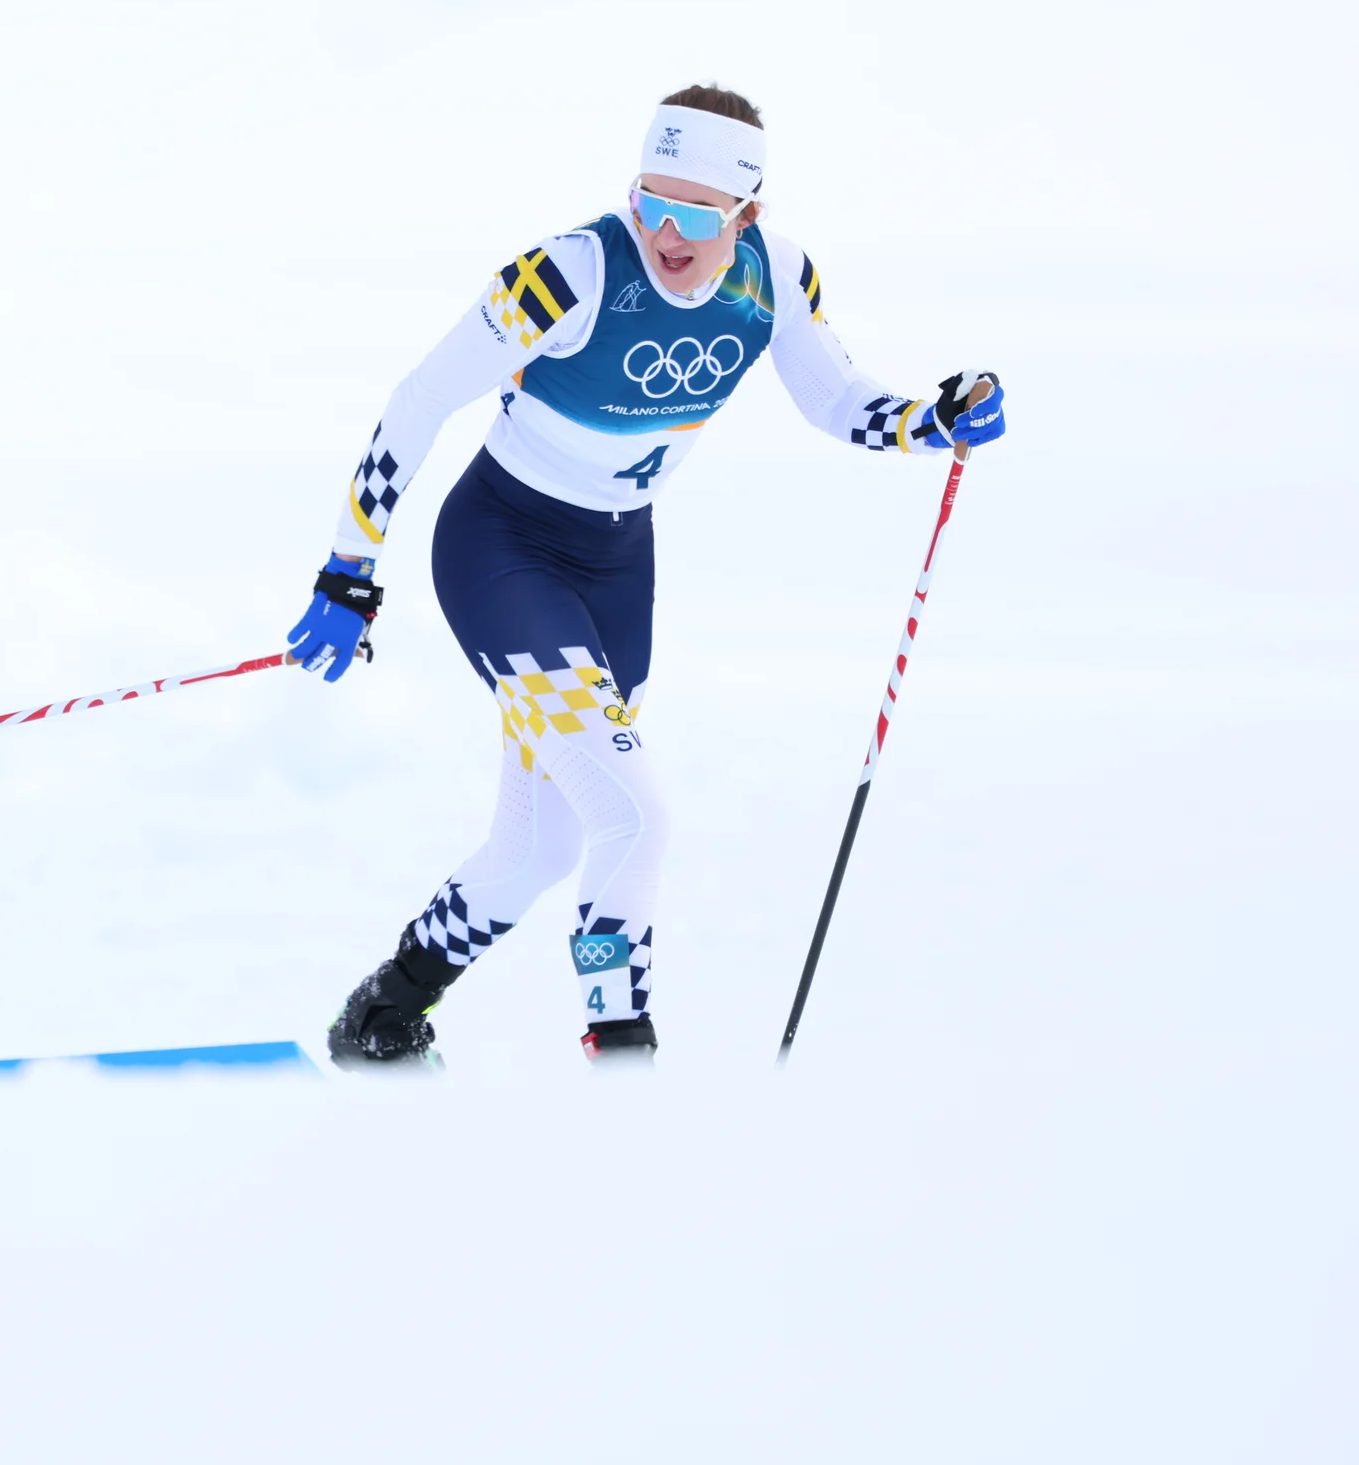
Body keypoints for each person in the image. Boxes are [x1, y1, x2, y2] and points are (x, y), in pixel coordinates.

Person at [283, 86, 1004, 1067]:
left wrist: (932, 421)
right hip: (504, 551)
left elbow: (835, 399)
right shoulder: (569, 273)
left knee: (541, 846)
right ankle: (624, 1061)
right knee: (634, 816)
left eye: (695, 215)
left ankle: (384, 1013)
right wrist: (347, 572)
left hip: (619, 569)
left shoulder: (777, 277)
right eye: (649, 202)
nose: (665, 232)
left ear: (746, 212)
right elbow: (421, 400)